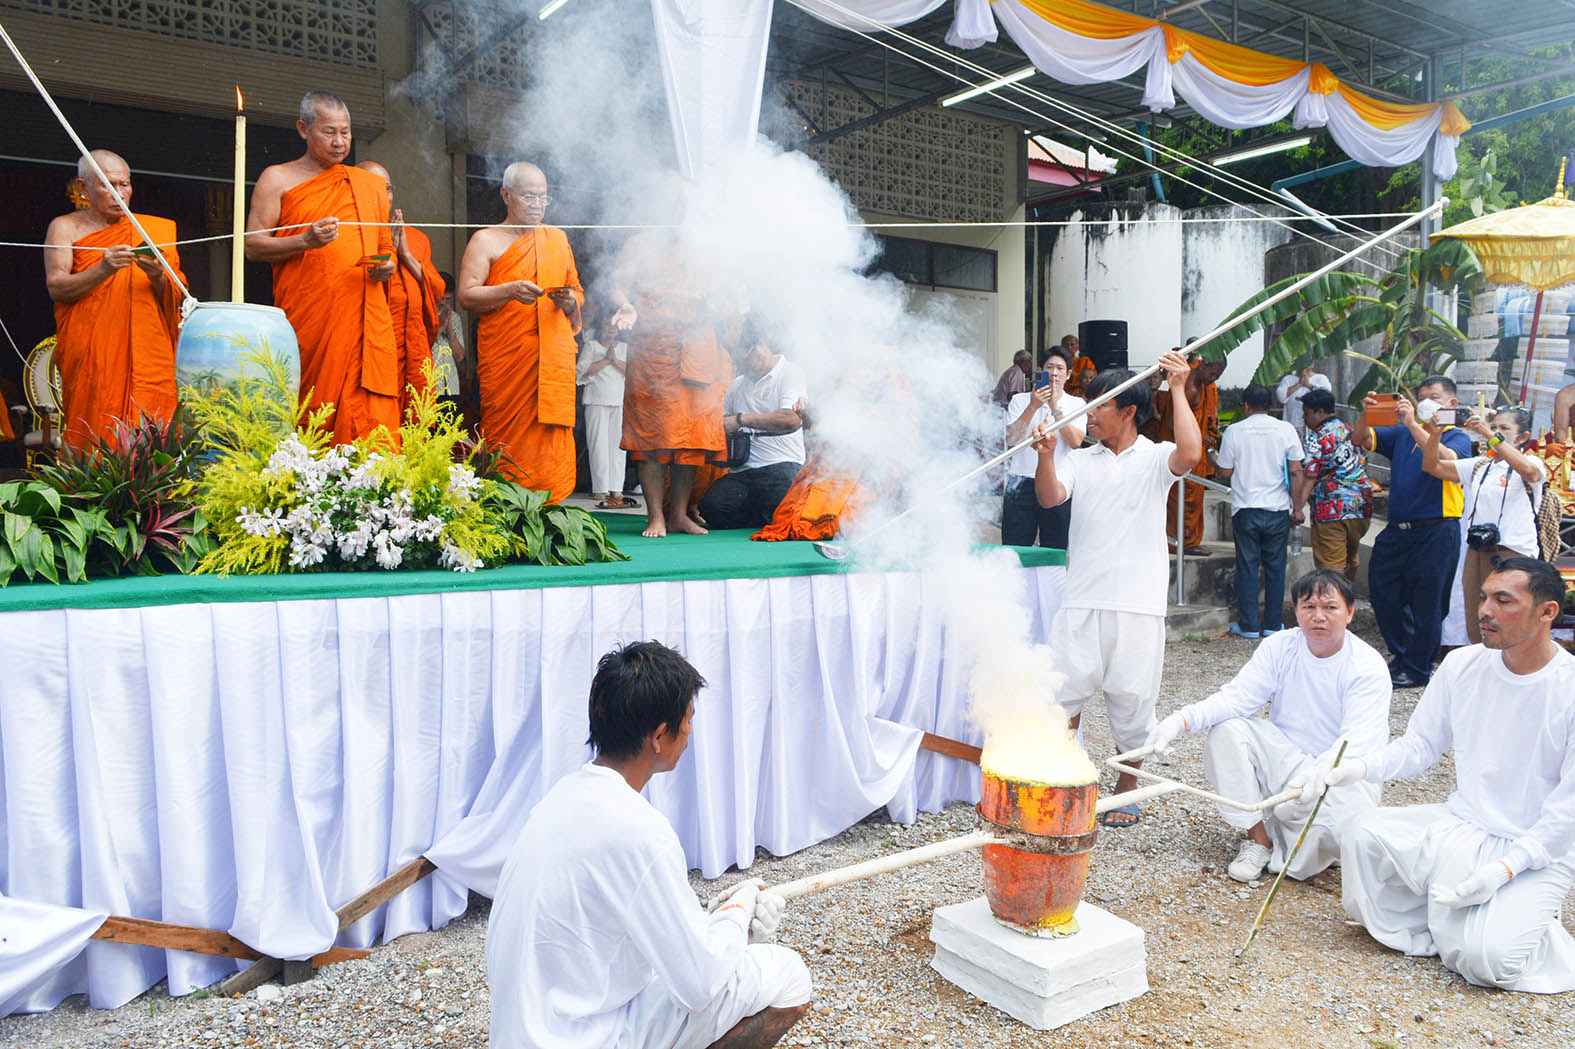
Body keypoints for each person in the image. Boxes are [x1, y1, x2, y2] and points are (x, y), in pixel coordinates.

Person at [487, 641, 813, 1047]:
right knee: (789, 974)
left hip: (526, 1032)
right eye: (689, 719)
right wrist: (737, 911)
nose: (691, 731)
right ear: (660, 735)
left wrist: (723, 928)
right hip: (585, 1036)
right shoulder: (640, 830)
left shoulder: (560, 799)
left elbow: (651, 936)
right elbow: (699, 985)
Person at [1317, 558, 1575, 993]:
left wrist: (1505, 869)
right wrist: (1356, 768)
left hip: (1536, 849)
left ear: (1547, 611)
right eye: (1482, 598)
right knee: (1361, 832)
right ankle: (1456, 915)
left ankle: (1509, 918)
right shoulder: (1462, 666)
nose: (1484, 611)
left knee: (1487, 961)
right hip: (1464, 824)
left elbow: (1567, 812)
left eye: (1503, 601)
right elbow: (1419, 746)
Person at [1033, 350, 1200, 827]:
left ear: (1128, 411)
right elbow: (1049, 498)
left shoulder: (1153, 459)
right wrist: (1046, 456)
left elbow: (1190, 455)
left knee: (1132, 700)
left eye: (1098, 404)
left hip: (1137, 602)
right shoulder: (1081, 460)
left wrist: (1178, 388)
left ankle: (1126, 788)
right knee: (1062, 694)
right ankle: (1065, 779)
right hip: (1082, 596)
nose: (1088, 412)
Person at [1144, 570, 1390, 881]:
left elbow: (1359, 738)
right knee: (1228, 730)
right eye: (1308, 607)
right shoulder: (1280, 646)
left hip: (1340, 776)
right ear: (1296, 610)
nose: (1318, 617)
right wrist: (1181, 720)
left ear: (1350, 612)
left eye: (1330, 607)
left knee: (1348, 830)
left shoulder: (1366, 666)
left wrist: (1324, 771)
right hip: (1286, 761)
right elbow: (1237, 698)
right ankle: (1258, 839)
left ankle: (1318, 846)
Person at [246, 91, 399, 445]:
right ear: (303, 129)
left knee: (372, 423)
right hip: (312, 320)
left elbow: (384, 249)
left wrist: (386, 268)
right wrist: (304, 241)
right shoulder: (278, 179)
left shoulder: (369, 185)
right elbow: (253, 245)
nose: (339, 142)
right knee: (314, 410)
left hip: (365, 320)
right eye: (329, 132)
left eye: (345, 133)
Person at [458, 162, 583, 502]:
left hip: (552, 362)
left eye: (543, 197)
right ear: (506, 195)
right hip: (509, 363)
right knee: (507, 441)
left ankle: (552, 508)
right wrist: (508, 290)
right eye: (528, 196)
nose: (536, 205)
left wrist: (569, 301)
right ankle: (506, 506)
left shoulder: (556, 239)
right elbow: (467, 295)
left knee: (551, 441)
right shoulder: (485, 239)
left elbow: (576, 291)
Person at [44, 150, 183, 451]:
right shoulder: (65, 227)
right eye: (109, 185)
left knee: (152, 438)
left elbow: (177, 301)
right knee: (97, 432)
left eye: (125, 185)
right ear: (83, 188)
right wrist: (103, 268)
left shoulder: (151, 231)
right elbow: (57, 287)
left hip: (149, 356)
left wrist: (158, 276)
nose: (120, 194)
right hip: (95, 356)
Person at [608, 230, 730, 538]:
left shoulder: (706, 244)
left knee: (690, 438)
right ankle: (655, 516)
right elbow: (617, 287)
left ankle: (678, 514)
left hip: (697, 343)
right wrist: (626, 305)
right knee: (651, 437)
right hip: (652, 346)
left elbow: (726, 294)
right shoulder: (641, 242)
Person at [1352, 378, 1473, 688]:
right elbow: (1361, 438)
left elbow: (1446, 458)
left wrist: (1413, 424)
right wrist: (1366, 413)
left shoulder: (1458, 436)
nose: (1426, 402)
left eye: (1434, 397)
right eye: (1421, 397)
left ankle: (1418, 666)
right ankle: (1403, 655)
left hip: (1436, 528)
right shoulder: (1403, 434)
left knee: (1428, 601)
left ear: (1451, 404)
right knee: (1383, 592)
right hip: (1398, 529)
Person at [1421, 406, 1547, 645]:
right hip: (1479, 549)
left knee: (1510, 618)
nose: (1497, 431)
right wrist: (1435, 433)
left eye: (1504, 428)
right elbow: (1432, 466)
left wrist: (1489, 434)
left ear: (1522, 437)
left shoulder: (1531, 461)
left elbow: (1531, 473)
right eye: (1495, 426)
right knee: (1477, 613)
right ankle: (1482, 666)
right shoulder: (1481, 465)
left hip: (1514, 550)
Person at [356, 161, 446, 420]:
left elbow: (436, 288)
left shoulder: (417, 239)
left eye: (388, 189)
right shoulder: (353, 235)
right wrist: (389, 252)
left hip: (413, 346)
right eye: (372, 188)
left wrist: (404, 252)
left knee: (416, 422)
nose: (383, 196)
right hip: (373, 350)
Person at [1215, 384, 1305, 638]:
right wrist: (1297, 507)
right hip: (1277, 508)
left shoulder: (1234, 431)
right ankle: (1274, 625)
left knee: (1247, 566)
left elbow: (1225, 472)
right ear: (1270, 405)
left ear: (1245, 406)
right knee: (1276, 567)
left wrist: (1212, 456)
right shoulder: (1285, 429)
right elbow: (1297, 470)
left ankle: (1250, 626)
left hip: (1246, 509)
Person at [698, 331, 807, 530]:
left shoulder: (790, 372)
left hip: (782, 464)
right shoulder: (738, 384)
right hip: (744, 470)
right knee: (712, 508)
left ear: (759, 346)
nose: (741, 364)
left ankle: (767, 514)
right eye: (736, 359)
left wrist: (741, 420)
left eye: (743, 358)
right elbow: (720, 420)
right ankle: (761, 516)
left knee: (782, 509)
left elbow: (791, 419)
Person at [1001, 344, 1084, 548]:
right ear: (1039, 371)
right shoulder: (1020, 400)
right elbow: (1011, 438)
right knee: (1015, 549)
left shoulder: (1077, 404)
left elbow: (1075, 442)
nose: (1054, 373)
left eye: (1060, 369)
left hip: (1058, 482)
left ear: (1069, 375)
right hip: (1021, 481)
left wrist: (1055, 407)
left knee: (1055, 549)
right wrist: (1034, 405)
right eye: (1049, 367)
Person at [1292, 389, 1372, 582]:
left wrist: (1298, 509)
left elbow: (1309, 475)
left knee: (1331, 568)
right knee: (1350, 559)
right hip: (1361, 507)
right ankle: (1347, 603)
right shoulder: (1350, 429)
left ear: (1320, 412)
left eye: (1307, 412)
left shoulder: (1316, 437)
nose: (1304, 418)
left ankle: (1336, 606)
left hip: (1331, 510)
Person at [1160, 357, 1224, 553]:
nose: (1212, 380)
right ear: (1203, 365)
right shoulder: (1189, 388)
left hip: (1194, 448)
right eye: (1212, 374)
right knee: (1183, 497)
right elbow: (1173, 422)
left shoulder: (1200, 385)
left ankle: (1187, 541)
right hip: (1182, 450)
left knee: (1193, 496)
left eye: (1217, 377)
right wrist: (1198, 435)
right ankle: (1184, 542)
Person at [577, 306, 633, 509]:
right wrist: (605, 361)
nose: (610, 329)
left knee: (618, 447)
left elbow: (632, 373)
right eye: (607, 325)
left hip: (619, 401)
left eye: (614, 325)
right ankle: (600, 488)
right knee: (598, 446)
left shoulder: (624, 348)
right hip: (596, 400)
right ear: (601, 326)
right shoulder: (591, 346)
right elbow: (580, 373)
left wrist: (615, 360)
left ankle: (616, 488)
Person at [1276, 366, 1333, 442]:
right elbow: (1281, 397)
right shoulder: (1288, 379)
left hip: (1314, 425)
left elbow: (1326, 396)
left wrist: (1309, 385)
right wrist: (1299, 384)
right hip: (1292, 423)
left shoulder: (1321, 379)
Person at [1062, 333, 1096, 398]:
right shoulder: (1058, 364)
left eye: (1072, 345)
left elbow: (1092, 380)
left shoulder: (1085, 361)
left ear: (1077, 347)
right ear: (1062, 347)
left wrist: (1074, 375)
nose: (1069, 347)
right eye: (1066, 345)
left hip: (1083, 395)